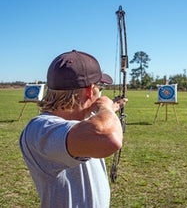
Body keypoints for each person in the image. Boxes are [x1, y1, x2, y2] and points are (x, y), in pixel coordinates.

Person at [20, 50, 127, 207]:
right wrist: (106, 108)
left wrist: (113, 107)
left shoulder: (84, 122)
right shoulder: (40, 129)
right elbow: (108, 138)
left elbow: (85, 123)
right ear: (90, 91)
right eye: (99, 89)